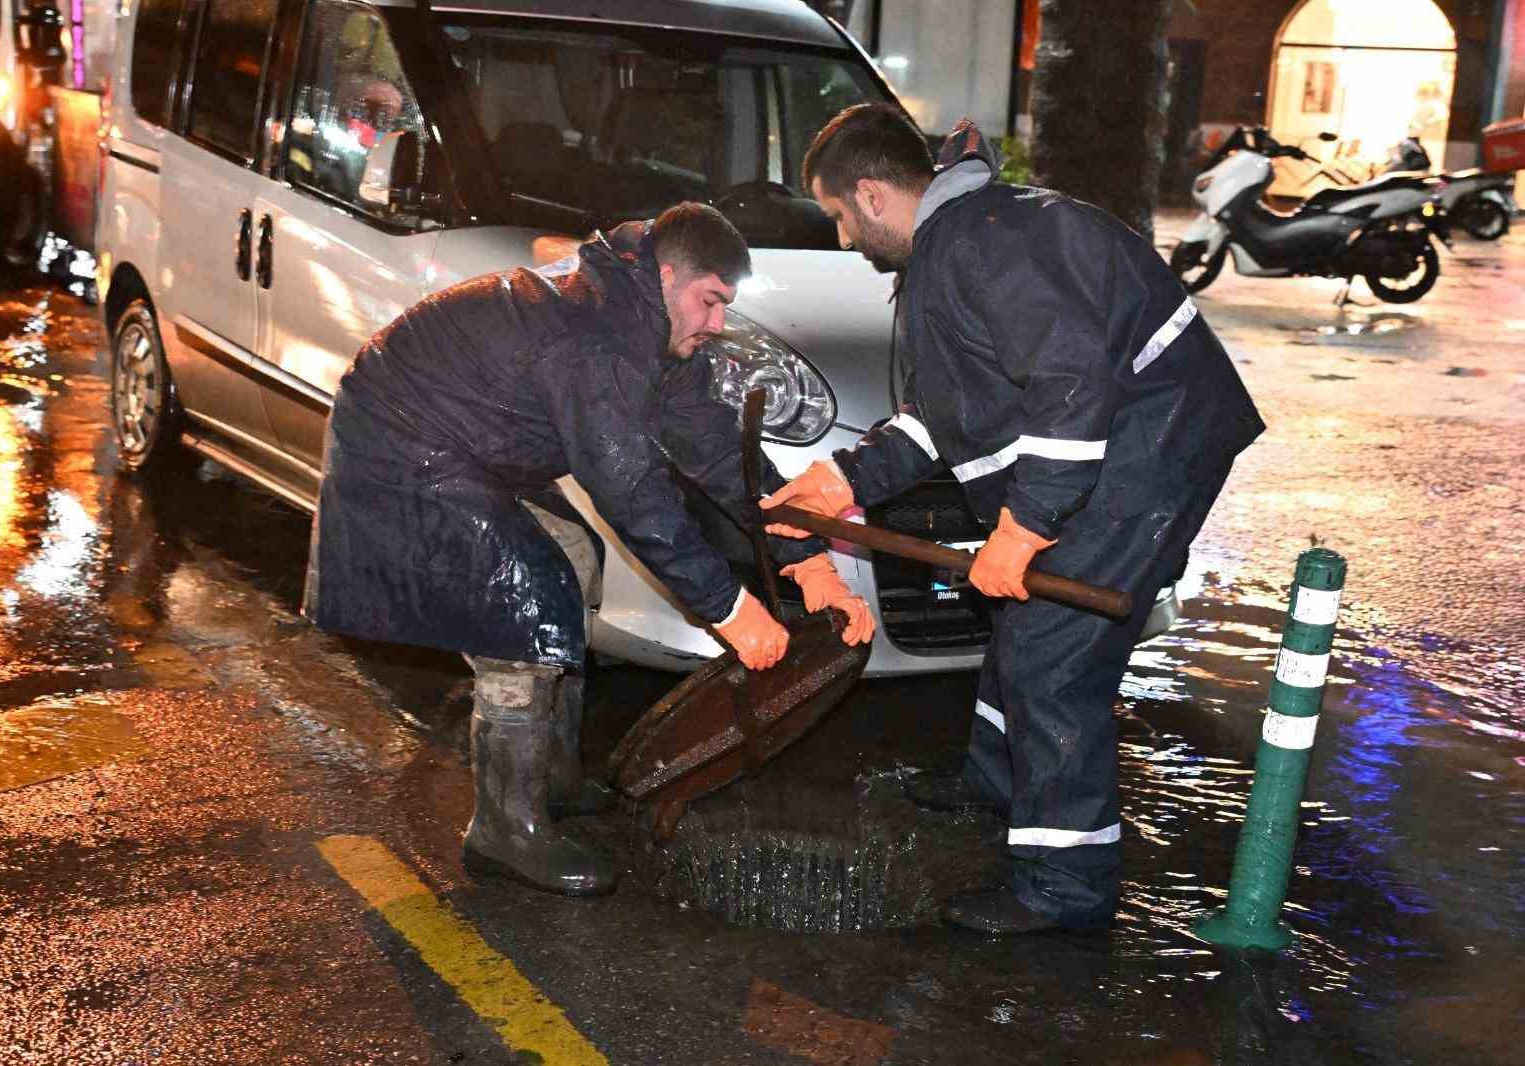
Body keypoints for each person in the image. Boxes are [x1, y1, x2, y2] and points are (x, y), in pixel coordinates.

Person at [766, 105, 1264, 936]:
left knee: (1051, 662)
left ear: (872, 194)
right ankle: (996, 780)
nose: (846, 237)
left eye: (840, 215)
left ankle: (1065, 886)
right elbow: (952, 414)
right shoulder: (960, 244)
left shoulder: (983, 243)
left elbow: (1074, 389)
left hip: (1152, 453)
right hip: (1123, 443)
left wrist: (1024, 529)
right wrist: (842, 479)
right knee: (1021, 618)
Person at [305, 202, 875, 897]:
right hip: (400, 439)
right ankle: (503, 829)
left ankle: (550, 774)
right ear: (669, 276)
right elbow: (632, 491)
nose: (717, 324)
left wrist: (809, 560)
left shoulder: (654, 322)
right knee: (523, 600)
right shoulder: (597, 334)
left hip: (470, 446)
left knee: (572, 555)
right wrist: (730, 611)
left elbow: (723, 453)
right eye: (710, 303)